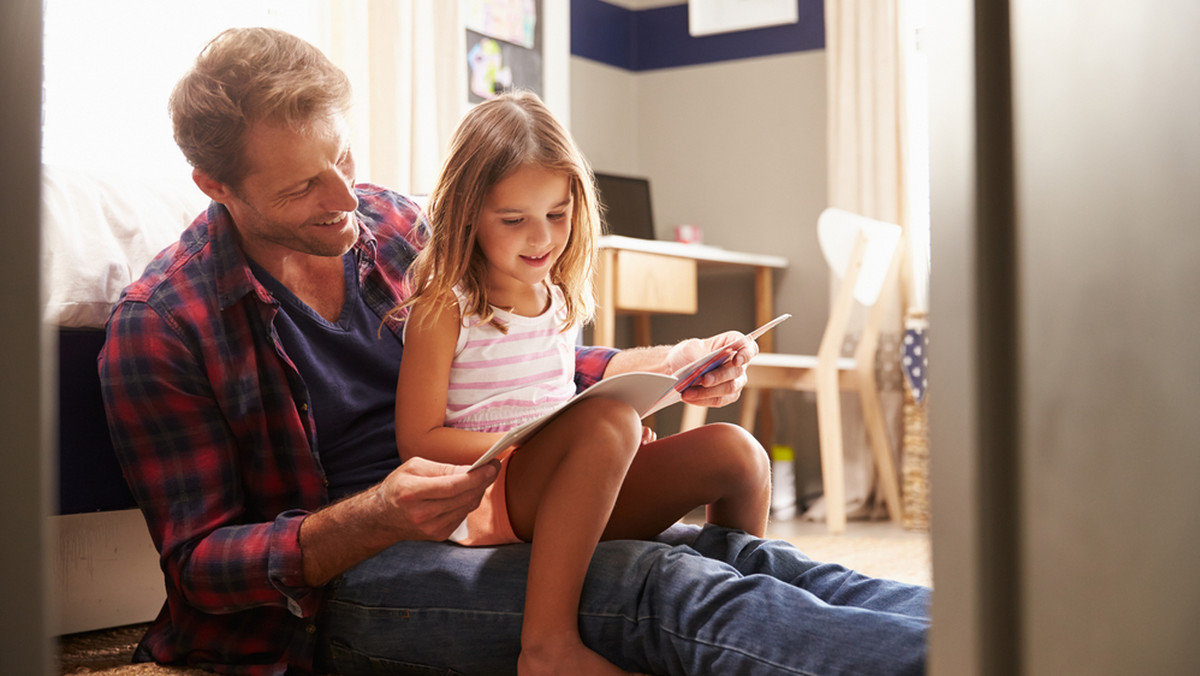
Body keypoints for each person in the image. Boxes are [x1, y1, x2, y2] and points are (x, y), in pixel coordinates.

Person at [98, 26, 930, 676]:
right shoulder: (164, 326)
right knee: (662, 588)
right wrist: (368, 517)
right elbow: (198, 567)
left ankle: (1013, 631)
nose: (346, 197)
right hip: (357, 580)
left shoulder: (394, 227)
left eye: (344, 158)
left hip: (509, 493)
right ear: (216, 186)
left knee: (745, 557)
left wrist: (659, 366)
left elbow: (517, 363)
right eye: (302, 186)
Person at [392, 91, 771, 675]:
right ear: (467, 215)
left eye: (558, 214)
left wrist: (607, 439)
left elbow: (560, 396)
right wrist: (553, 440)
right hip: (491, 496)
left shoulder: (559, 298)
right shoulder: (446, 306)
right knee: (606, 422)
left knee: (737, 453)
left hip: (565, 485)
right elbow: (418, 441)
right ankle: (547, 647)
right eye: (514, 220)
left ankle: (737, 609)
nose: (541, 238)